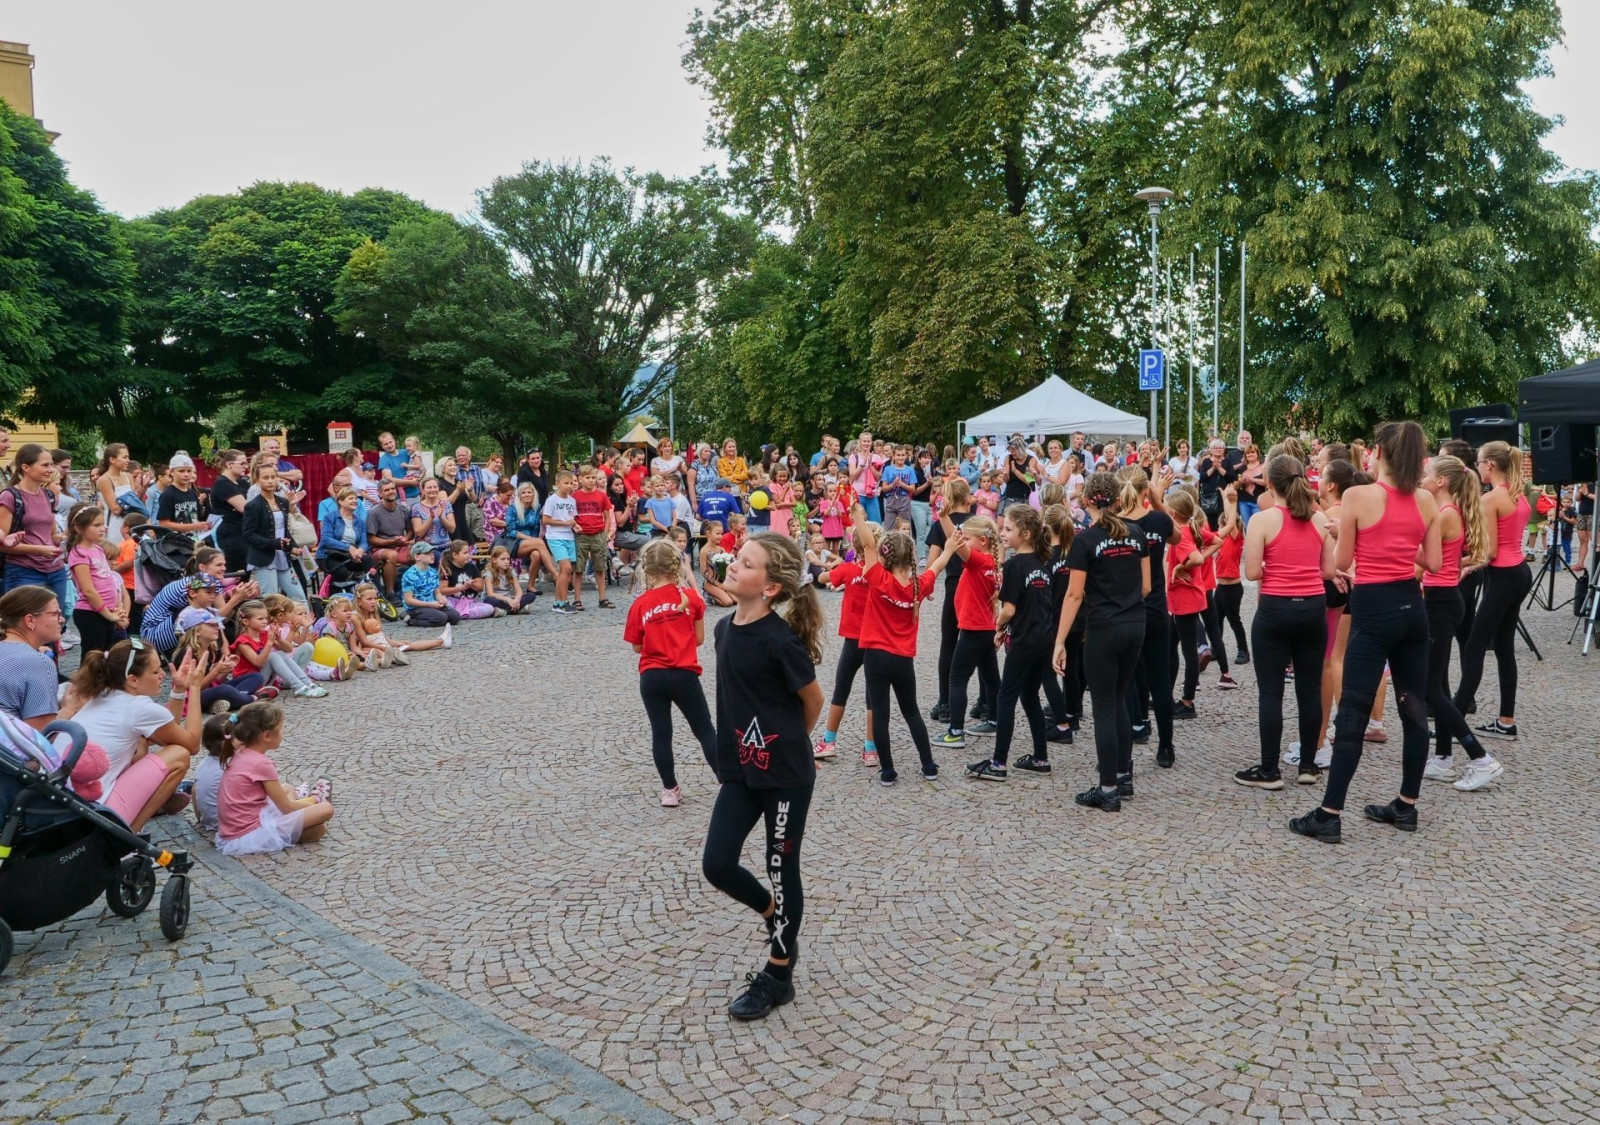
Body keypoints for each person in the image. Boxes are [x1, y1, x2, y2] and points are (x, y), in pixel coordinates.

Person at [1291, 421, 1441, 843]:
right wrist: (1400, 543)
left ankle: (1329, 813)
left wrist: (1351, 536)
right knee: (1413, 708)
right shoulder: (1426, 499)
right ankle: (1407, 804)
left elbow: (1341, 562)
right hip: (1412, 608)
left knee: (1353, 712)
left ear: (1380, 451)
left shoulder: (1358, 496)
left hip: (1374, 610)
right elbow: (1432, 561)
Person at [700, 532, 823, 1021]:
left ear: (770, 587)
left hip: (786, 774)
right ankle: (774, 914)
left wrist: (790, 743)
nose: (734, 564)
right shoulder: (723, 630)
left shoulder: (780, 641)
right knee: (717, 864)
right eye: (738, 557)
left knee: (780, 866)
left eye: (747, 564)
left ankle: (778, 974)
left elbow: (812, 700)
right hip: (740, 771)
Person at [1232, 456, 1334, 790]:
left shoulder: (1262, 520)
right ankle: (1308, 764)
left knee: (1271, 692)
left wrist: (1276, 566)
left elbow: (1252, 572)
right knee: (1309, 690)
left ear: (1271, 484)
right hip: (1312, 608)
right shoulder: (1319, 519)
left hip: (1275, 609)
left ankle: (1269, 769)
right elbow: (1328, 570)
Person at [1053, 471, 1150, 811]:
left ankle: (1108, 788)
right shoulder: (1136, 533)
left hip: (1104, 628)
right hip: (1135, 623)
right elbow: (1146, 586)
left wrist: (1060, 641)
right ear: (1120, 500)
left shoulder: (1086, 540)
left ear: (1085, 501)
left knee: (1105, 705)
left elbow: (1074, 595)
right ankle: (1123, 775)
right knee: (1119, 698)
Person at [1417, 456, 1503, 791]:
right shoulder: (1447, 511)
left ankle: (1481, 759)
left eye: (1427, 474)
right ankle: (1442, 758)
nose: (1422, 477)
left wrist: (1397, 544)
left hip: (1440, 603)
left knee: (1430, 689)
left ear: (1441, 481)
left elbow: (1430, 561)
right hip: (1440, 598)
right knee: (1437, 684)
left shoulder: (1446, 514)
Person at [65, 640, 206, 831]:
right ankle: (128, 836)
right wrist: (195, 687)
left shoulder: (103, 694)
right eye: (155, 671)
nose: (163, 674)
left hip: (68, 805)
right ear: (133, 680)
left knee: (143, 744)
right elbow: (192, 745)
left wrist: (179, 690)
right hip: (94, 811)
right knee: (179, 755)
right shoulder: (137, 707)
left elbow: (167, 731)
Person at [624, 539, 717, 807]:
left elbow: (637, 646)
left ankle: (669, 789)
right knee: (704, 729)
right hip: (683, 673)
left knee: (661, 733)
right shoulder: (691, 598)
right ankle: (726, 780)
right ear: (677, 566)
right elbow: (699, 639)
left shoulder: (640, 604)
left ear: (646, 569)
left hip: (652, 676)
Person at [856, 524, 950, 785]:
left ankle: (887, 771)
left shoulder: (878, 578)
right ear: (910, 558)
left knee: (880, 714)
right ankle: (928, 765)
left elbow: (867, 544)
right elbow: (937, 565)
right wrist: (950, 548)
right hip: (902, 659)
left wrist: (856, 516)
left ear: (884, 556)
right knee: (911, 711)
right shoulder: (918, 586)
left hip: (875, 656)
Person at [1452, 440, 1533, 742]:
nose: (1477, 468)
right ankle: (1506, 721)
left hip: (1503, 576)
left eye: (1478, 463)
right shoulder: (1517, 493)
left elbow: (1488, 552)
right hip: (1519, 572)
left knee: (1474, 647)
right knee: (1503, 647)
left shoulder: (1492, 498)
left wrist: (1458, 563)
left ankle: (1454, 722)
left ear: (1489, 465)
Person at [966, 505, 1053, 781]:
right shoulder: (1042, 563)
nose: (1003, 533)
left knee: (1005, 698)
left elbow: (1009, 609)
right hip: (1043, 639)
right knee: (1030, 697)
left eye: (1008, 529)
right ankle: (1040, 757)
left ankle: (999, 763)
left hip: (1024, 641)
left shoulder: (1015, 565)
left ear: (1025, 534)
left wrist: (999, 624)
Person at [1117, 467, 1179, 767]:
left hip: (1124, 609)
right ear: (1146, 490)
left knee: (1125, 681)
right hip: (1155, 607)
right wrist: (1158, 501)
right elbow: (1178, 537)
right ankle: (1166, 747)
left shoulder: (1114, 525)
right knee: (1159, 679)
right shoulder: (1158, 520)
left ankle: (1125, 745)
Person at [214, 702, 334, 855]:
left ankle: (306, 813)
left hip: (233, 829)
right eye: (280, 729)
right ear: (266, 736)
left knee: (287, 788)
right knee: (326, 809)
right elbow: (287, 808)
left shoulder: (241, 751)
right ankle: (315, 800)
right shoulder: (262, 764)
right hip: (249, 834)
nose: (282, 733)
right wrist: (314, 805)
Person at [930, 513, 1001, 756]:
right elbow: (958, 538)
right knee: (991, 679)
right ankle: (995, 720)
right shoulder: (992, 562)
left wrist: (943, 517)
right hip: (986, 628)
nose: (964, 541)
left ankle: (956, 732)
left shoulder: (978, 561)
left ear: (983, 541)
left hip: (973, 630)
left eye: (969, 538)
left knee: (957, 679)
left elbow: (955, 539)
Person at [1, 444, 67, 601]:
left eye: (51, 464)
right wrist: (39, 550)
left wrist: (70, 535)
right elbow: (2, 544)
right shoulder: (10, 497)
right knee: (26, 615)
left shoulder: (49, 496)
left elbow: (52, 536)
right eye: (45, 465)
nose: (51, 469)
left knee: (57, 615)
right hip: (24, 571)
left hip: (56, 570)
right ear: (26, 468)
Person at [232, 599, 329, 699]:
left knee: (280, 653)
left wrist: (279, 639)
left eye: (266, 618)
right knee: (273, 655)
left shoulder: (264, 634)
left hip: (265, 677)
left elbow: (288, 649)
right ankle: (299, 686)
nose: (265, 621)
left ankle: (307, 682)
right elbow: (258, 663)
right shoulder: (242, 641)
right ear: (245, 622)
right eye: (260, 619)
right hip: (250, 681)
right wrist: (269, 643)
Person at [241, 460, 309, 602]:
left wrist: (293, 547)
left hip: (283, 557)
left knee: (300, 597)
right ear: (257, 480)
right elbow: (248, 534)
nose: (270, 481)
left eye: (273, 477)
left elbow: (284, 530)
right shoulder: (253, 505)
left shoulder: (283, 502)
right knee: (271, 598)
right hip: (263, 558)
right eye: (265, 478)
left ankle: (305, 618)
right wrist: (274, 543)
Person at [66, 506, 129, 656]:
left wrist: (118, 610)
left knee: (106, 656)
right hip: (91, 613)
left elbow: (110, 582)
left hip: (107, 612)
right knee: (93, 658)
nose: (103, 528)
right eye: (96, 525)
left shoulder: (98, 549)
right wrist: (109, 615)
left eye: (102, 524)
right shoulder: (79, 553)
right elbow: (88, 590)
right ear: (78, 528)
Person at [0, 587, 66, 729]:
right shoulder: (38, 663)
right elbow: (42, 734)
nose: (62, 619)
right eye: (55, 613)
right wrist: (72, 707)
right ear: (30, 620)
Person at [572, 467, 616, 609]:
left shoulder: (601, 495)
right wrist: (574, 526)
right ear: (580, 479)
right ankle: (577, 599)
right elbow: (571, 515)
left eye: (593, 478)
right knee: (579, 568)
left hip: (598, 533)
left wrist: (605, 533)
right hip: (581, 535)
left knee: (600, 567)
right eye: (587, 478)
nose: (591, 480)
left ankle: (602, 598)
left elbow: (607, 516)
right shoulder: (575, 496)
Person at [399, 542, 459, 638]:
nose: (432, 555)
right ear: (417, 557)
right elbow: (408, 600)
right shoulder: (409, 575)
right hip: (416, 607)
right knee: (441, 618)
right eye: (427, 553)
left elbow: (437, 592)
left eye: (432, 553)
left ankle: (431, 614)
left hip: (432, 604)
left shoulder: (433, 571)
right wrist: (430, 604)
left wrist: (441, 599)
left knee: (455, 617)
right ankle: (410, 619)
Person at [542, 470, 581, 614]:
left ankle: (558, 602)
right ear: (558, 484)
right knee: (566, 568)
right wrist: (565, 523)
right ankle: (564, 602)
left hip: (568, 537)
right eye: (566, 483)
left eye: (571, 483)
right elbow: (546, 520)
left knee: (567, 571)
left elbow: (571, 519)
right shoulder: (552, 500)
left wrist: (575, 526)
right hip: (555, 537)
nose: (569, 486)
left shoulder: (572, 501)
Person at [209, 449, 252, 570]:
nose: (246, 467)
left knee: (245, 572)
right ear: (229, 465)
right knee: (237, 574)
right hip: (231, 536)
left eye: (246, 463)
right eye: (242, 463)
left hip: (243, 532)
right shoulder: (222, 483)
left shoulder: (241, 483)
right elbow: (245, 508)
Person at [156, 454, 210, 538]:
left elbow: (197, 517)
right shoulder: (168, 495)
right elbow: (164, 524)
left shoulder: (192, 493)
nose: (186, 474)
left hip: (194, 539)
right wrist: (193, 526)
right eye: (181, 471)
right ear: (172, 472)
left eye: (189, 471)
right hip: (176, 541)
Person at [484, 546, 539, 614]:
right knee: (489, 600)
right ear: (494, 560)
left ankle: (506, 609)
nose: (506, 562)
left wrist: (517, 600)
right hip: (498, 599)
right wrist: (508, 600)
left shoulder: (511, 571)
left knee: (531, 596)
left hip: (508, 600)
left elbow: (519, 591)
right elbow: (490, 594)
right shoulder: (489, 574)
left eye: (508, 559)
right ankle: (516, 609)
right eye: (503, 559)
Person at [1197, 438, 1237, 530]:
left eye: (1220, 448)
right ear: (1211, 450)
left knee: (1223, 520)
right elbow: (1202, 477)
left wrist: (1219, 468)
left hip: (1223, 496)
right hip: (1209, 497)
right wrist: (1213, 468)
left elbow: (1231, 478)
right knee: (1209, 521)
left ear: (1224, 450)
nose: (1218, 450)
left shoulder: (1227, 462)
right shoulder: (1206, 462)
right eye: (1216, 448)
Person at [376, 431, 420, 501]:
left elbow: (420, 466)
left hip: (416, 494)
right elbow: (389, 480)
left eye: (390, 442)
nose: (389, 445)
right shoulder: (384, 460)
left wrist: (418, 479)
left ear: (394, 440)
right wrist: (411, 482)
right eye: (386, 444)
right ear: (382, 446)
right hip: (400, 499)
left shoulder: (407, 452)